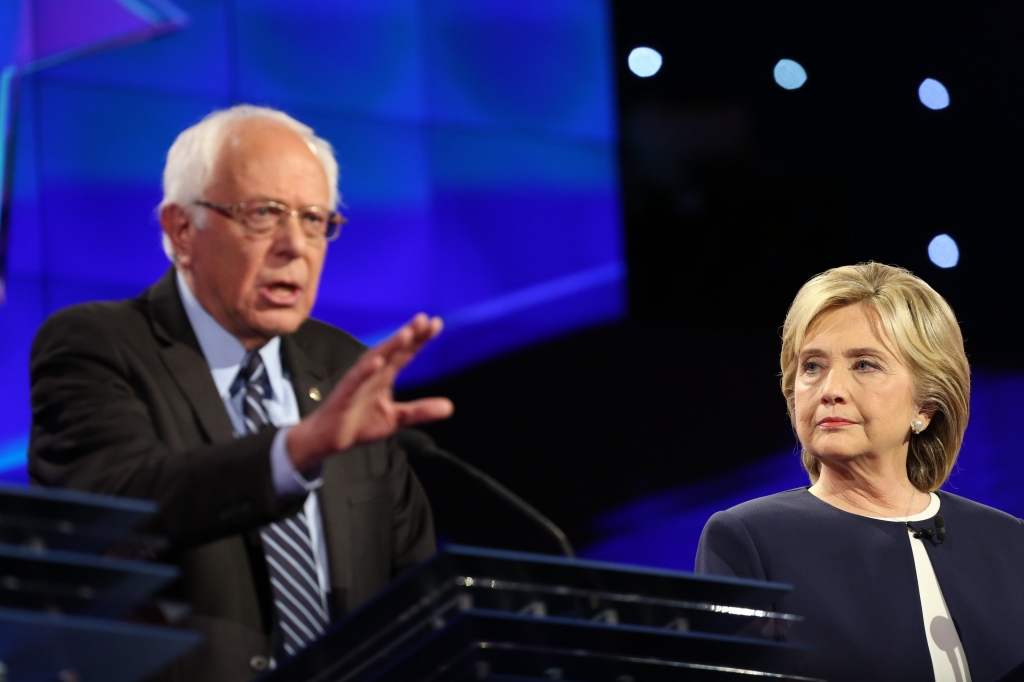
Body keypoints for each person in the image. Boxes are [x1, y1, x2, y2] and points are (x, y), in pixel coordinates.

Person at [28, 105, 454, 682]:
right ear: (182, 230)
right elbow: (115, 512)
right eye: (264, 214)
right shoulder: (99, 345)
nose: (295, 246)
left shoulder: (343, 368)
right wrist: (292, 453)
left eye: (314, 219)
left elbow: (413, 588)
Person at [695, 262, 1024, 682]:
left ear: (926, 406)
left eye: (865, 365)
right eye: (812, 366)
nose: (830, 390)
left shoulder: (1010, 543)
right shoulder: (748, 539)